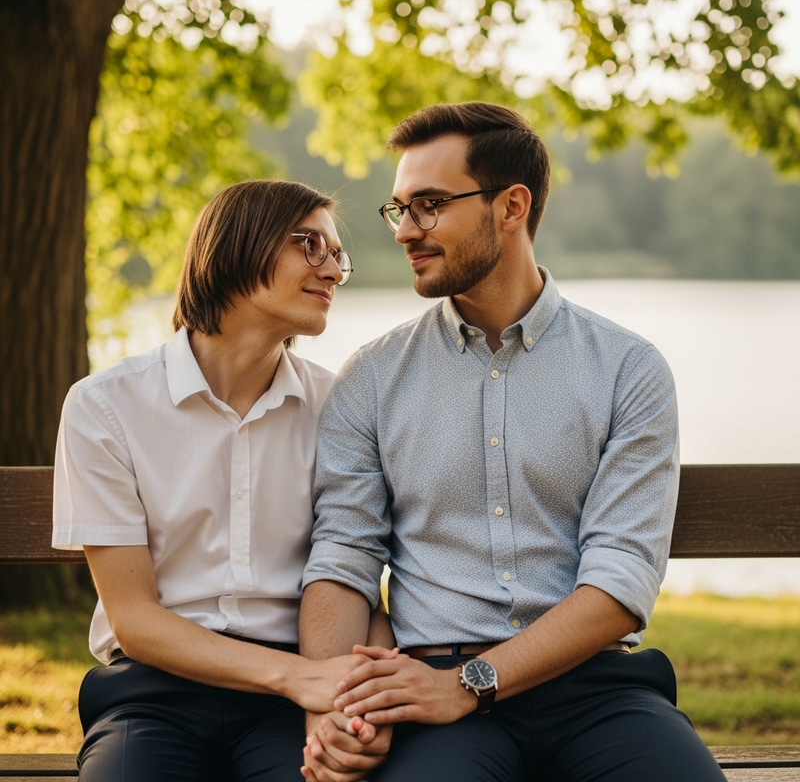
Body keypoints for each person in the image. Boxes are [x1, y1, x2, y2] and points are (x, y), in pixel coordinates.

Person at [299, 103, 728, 782]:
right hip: (431, 691)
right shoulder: (372, 377)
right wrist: (331, 711)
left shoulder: (627, 369)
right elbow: (345, 559)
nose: (406, 230)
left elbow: (620, 579)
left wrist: (470, 682)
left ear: (511, 206)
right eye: (400, 209)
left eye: (430, 205)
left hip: (594, 689)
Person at [51, 179, 392, 782]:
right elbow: (134, 619)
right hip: (151, 693)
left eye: (337, 253)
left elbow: (355, 569)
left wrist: (350, 704)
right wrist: (302, 681)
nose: (334, 271)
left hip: (290, 698)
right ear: (237, 247)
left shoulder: (336, 406)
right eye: (311, 245)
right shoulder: (105, 406)